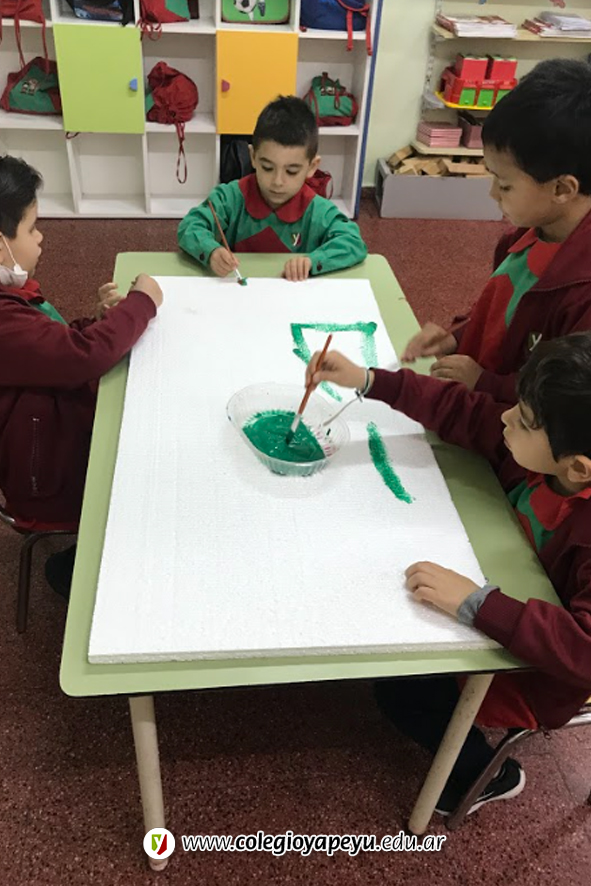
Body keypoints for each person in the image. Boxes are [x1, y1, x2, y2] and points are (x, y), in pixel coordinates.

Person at [306, 334, 591, 815]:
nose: (505, 418)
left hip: (540, 669)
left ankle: (484, 775)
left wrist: (478, 603)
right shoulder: (548, 450)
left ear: (579, 469)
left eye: (523, 420)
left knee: (402, 689)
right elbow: (463, 410)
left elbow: (583, 651)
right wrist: (368, 380)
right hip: (504, 587)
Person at [0, 155, 162, 598]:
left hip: (52, 436)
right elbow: (82, 356)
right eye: (31, 228)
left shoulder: (13, 294)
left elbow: (52, 346)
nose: (40, 237)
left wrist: (99, 322)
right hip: (47, 479)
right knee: (142, 478)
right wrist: (142, 303)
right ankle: (91, 570)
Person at [402, 59, 591, 404]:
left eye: (504, 185)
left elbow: (559, 403)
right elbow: (501, 313)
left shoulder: (582, 297)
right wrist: (457, 337)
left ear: (562, 189)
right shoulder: (529, 235)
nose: (492, 194)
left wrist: (486, 382)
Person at [178, 95, 367, 282]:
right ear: (253, 157)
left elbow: (353, 242)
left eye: (291, 171)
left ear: (312, 167)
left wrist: (312, 261)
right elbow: (190, 226)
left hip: (292, 295)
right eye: (267, 168)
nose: (277, 181)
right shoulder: (229, 197)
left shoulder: (317, 211)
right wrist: (211, 251)